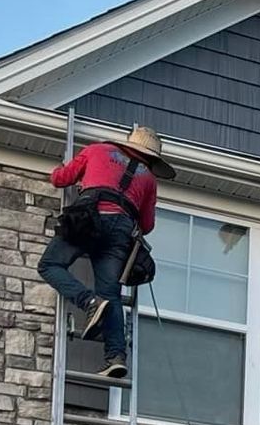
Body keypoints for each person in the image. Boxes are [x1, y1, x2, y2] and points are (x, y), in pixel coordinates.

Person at [37, 126, 173, 380]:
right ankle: (116, 357)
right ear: (151, 157)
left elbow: (60, 179)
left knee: (50, 265)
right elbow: (147, 225)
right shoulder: (148, 179)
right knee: (111, 293)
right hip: (121, 229)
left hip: (90, 215)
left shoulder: (97, 150)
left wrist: (60, 170)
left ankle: (89, 302)